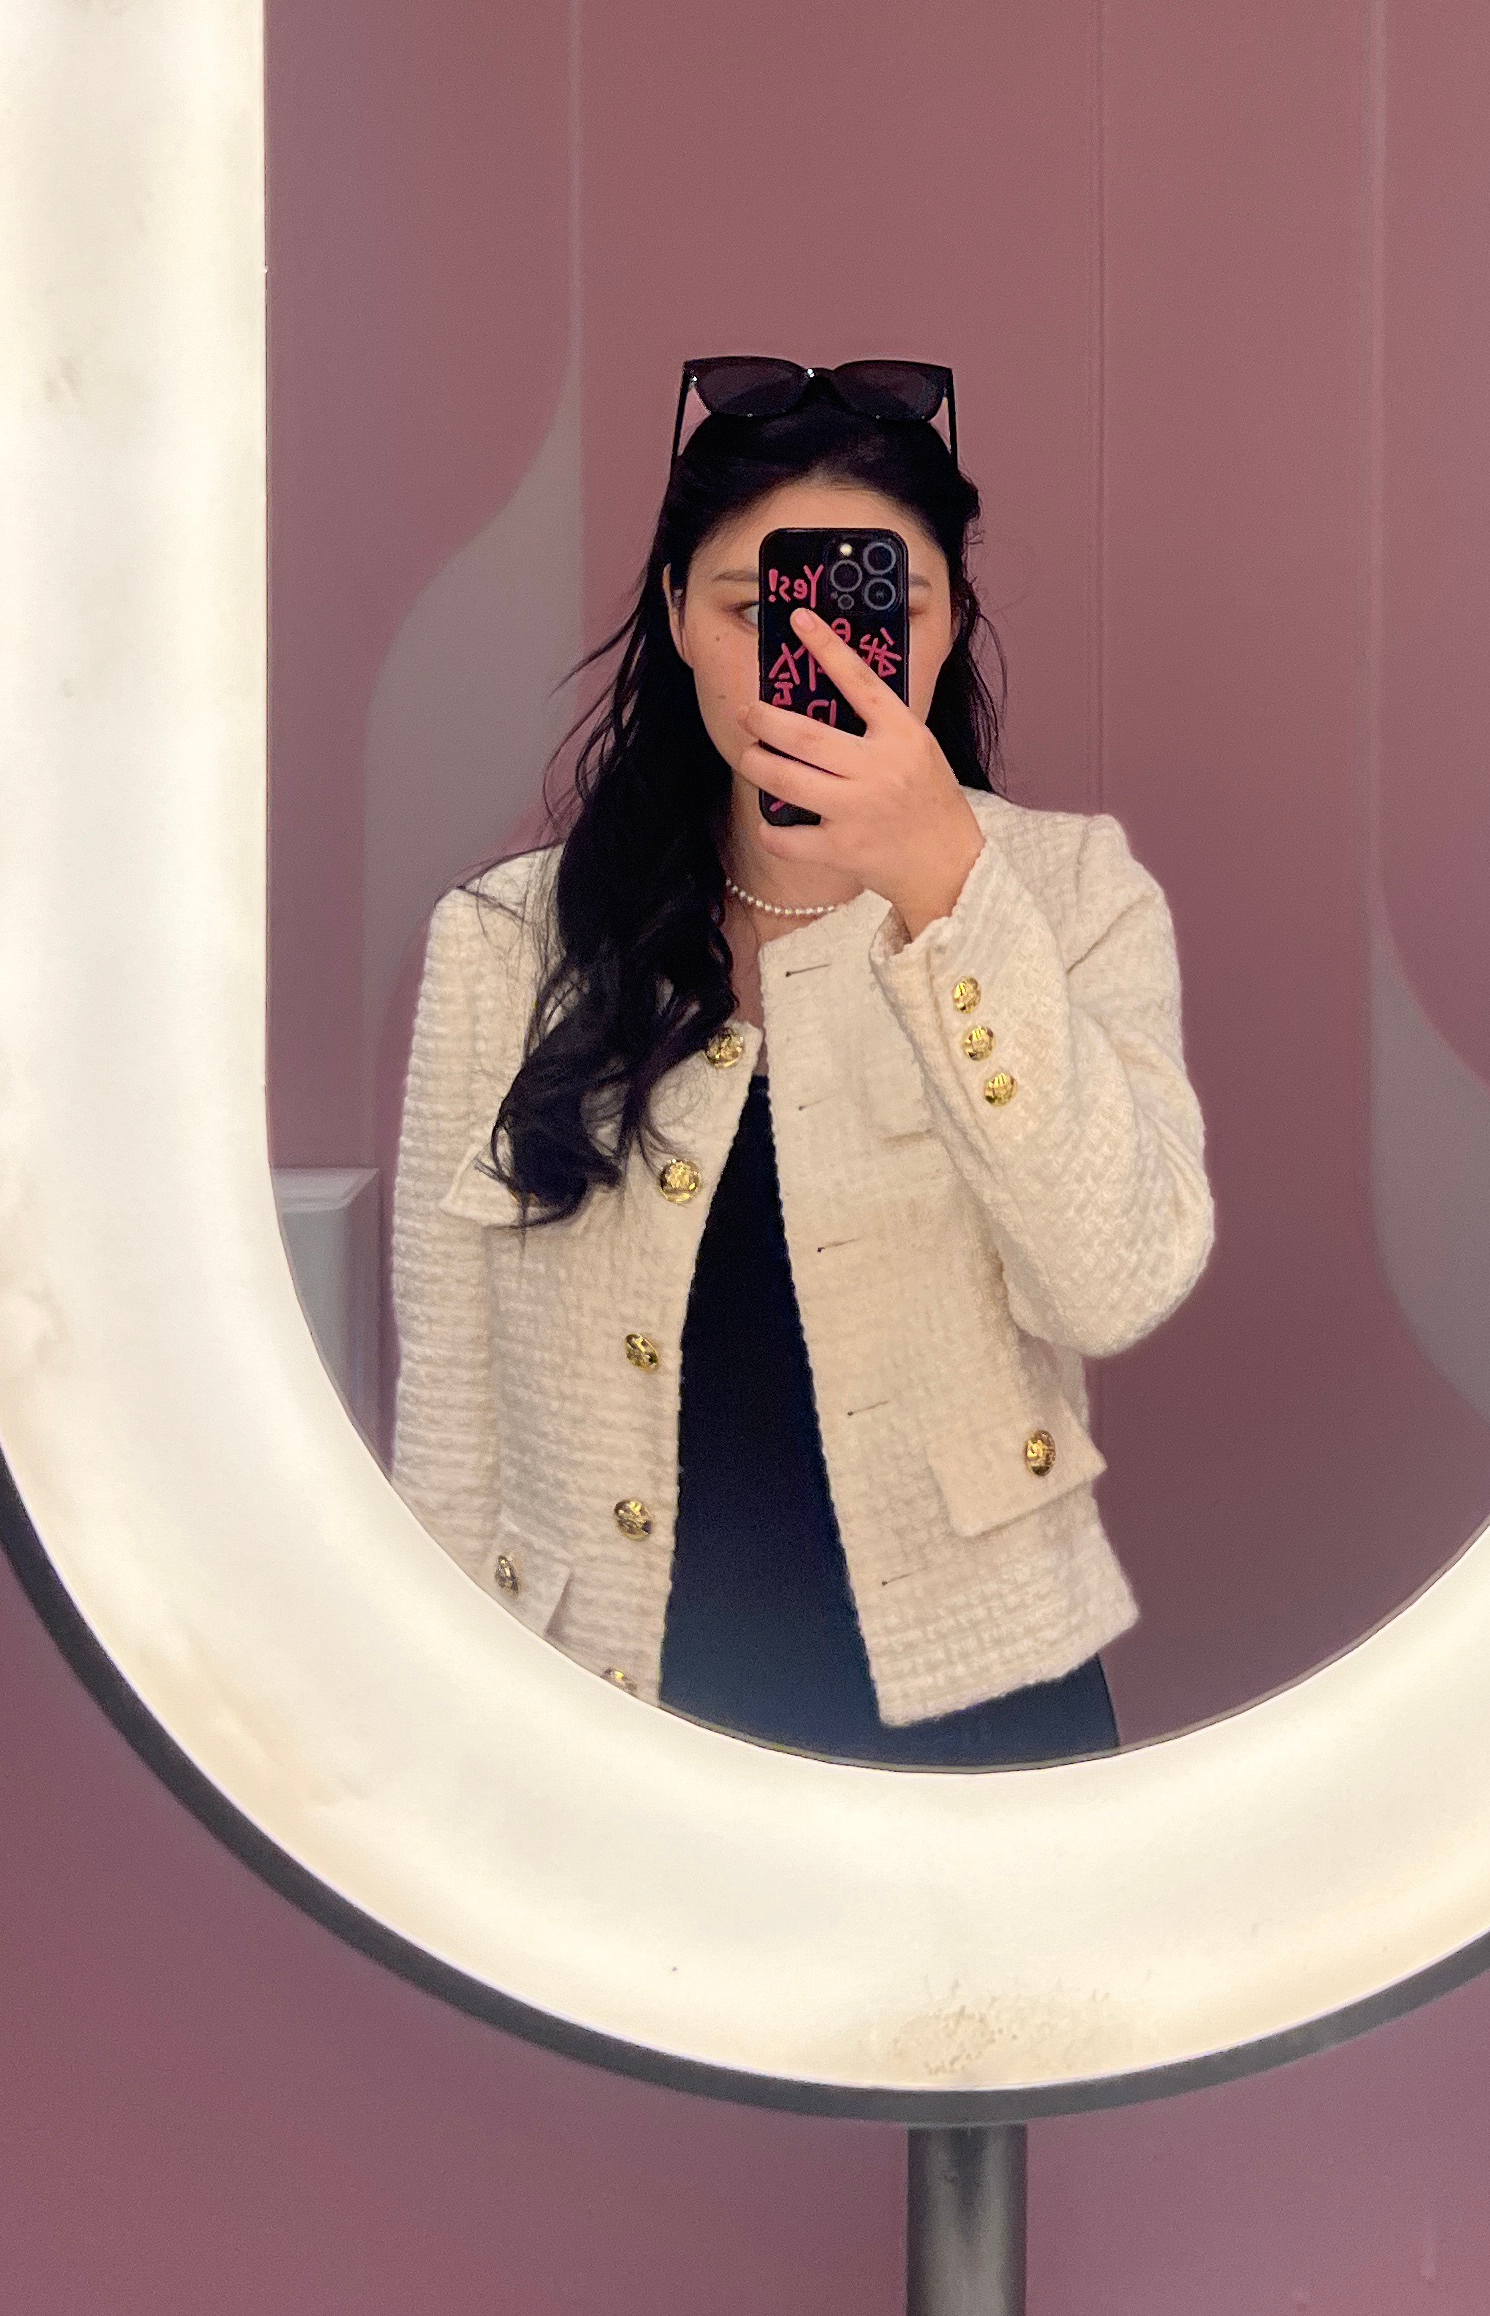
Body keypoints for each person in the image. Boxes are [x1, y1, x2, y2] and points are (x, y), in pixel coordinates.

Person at [388, 354, 1212, 1764]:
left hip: (976, 1707)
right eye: (751, 607)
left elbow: (1115, 1283)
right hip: (603, 1705)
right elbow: (451, 1402)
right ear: (674, 616)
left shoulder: (1074, 899)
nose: (816, 652)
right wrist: (443, 1724)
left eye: (880, 608)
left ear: (945, 628)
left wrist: (949, 894)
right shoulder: (509, 942)